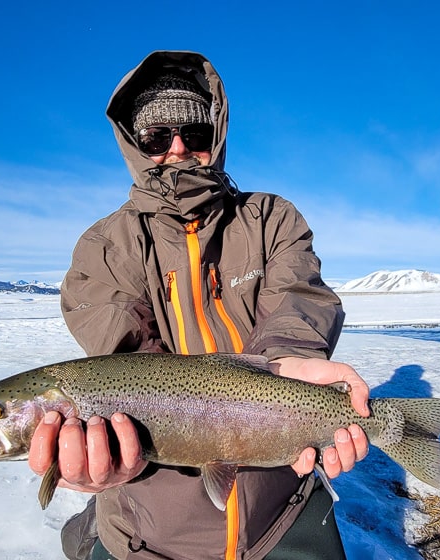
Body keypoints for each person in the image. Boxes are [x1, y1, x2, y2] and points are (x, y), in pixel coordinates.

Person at [27, 51, 372, 560]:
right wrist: (113, 450)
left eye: (195, 132)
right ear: (134, 144)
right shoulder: (106, 246)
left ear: (218, 134)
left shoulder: (271, 218)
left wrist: (290, 361)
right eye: (157, 136)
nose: (179, 148)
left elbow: (297, 300)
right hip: (150, 531)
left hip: (282, 503)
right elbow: (128, 371)